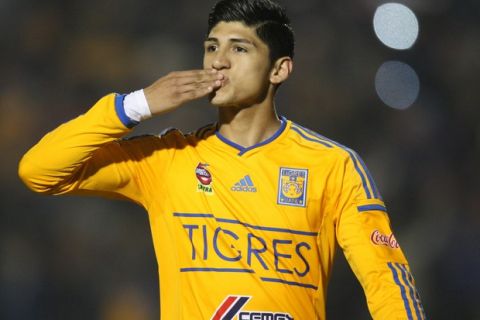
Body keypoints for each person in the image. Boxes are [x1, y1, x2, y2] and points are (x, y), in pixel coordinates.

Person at [18, 0, 426, 319]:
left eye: (239, 48)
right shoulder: (168, 159)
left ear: (280, 70)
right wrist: (136, 105)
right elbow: (39, 171)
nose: (218, 61)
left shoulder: (332, 166)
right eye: (212, 47)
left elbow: (385, 277)